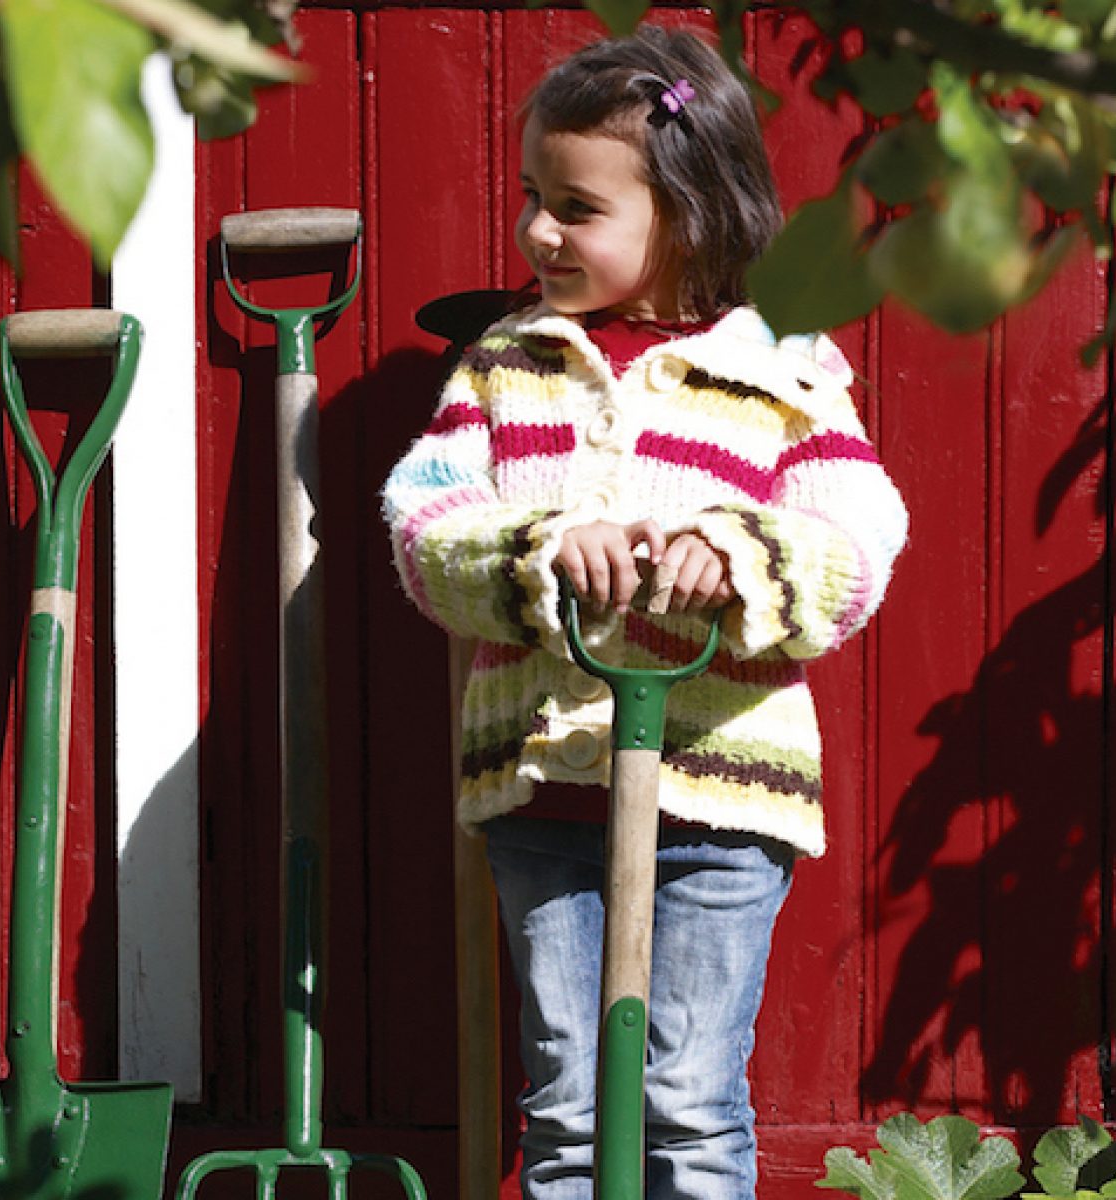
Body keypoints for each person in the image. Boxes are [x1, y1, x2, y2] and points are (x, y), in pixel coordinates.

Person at [381, 24, 908, 1200]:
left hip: (725, 790)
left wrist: (743, 553)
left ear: (689, 210)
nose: (535, 232)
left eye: (574, 208)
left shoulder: (778, 366)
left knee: (684, 1098)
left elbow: (859, 534)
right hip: (543, 789)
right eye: (530, 198)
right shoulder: (506, 367)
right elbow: (424, 530)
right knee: (566, 1107)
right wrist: (537, 551)